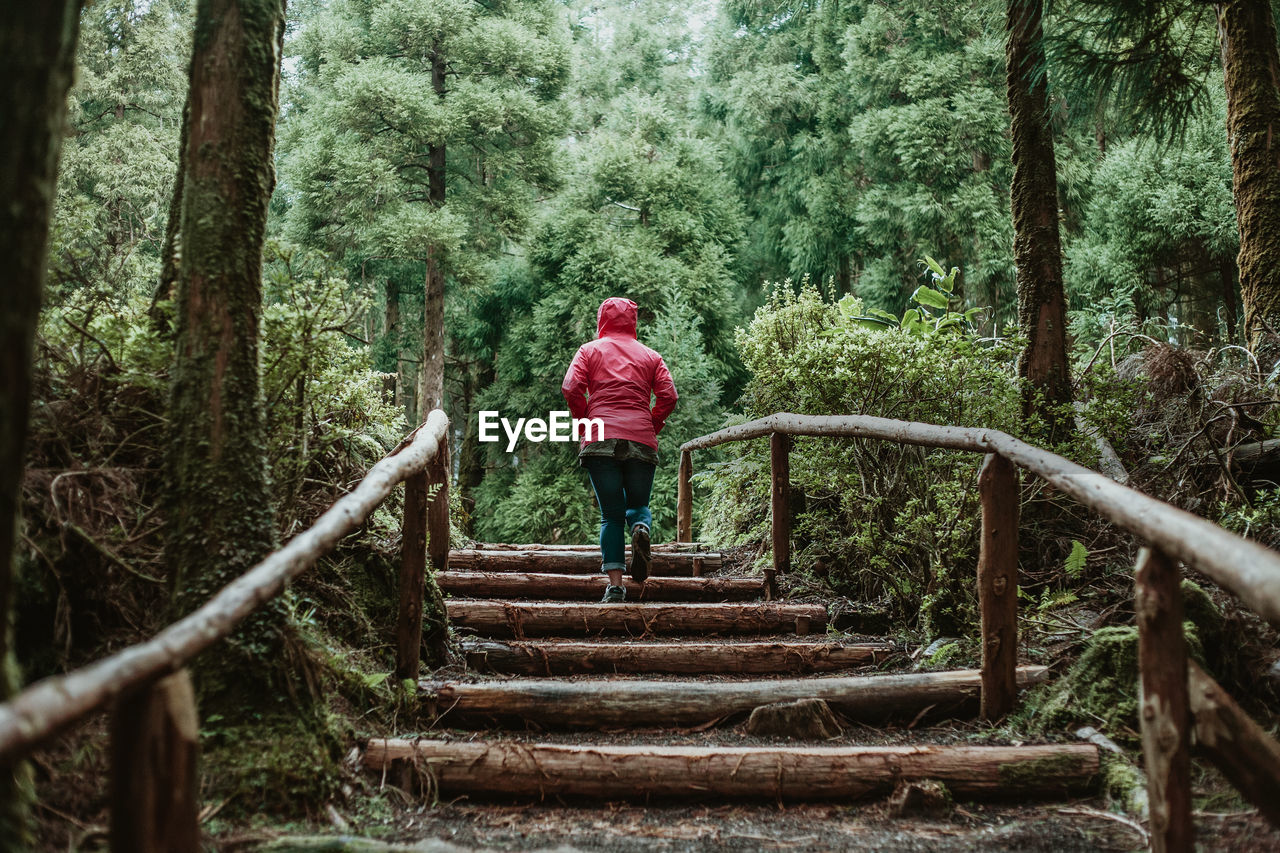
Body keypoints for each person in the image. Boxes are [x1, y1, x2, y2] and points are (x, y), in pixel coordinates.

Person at [562, 297, 678, 602]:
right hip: (640, 435)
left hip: (600, 436)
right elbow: (669, 396)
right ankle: (640, 527)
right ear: (633, 321)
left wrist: (584, 420)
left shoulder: (588, 351)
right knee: (638, 505)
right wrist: (652, 423)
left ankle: (615, 587)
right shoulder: (651, 356)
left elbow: (571, 387)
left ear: (602, 319)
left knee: (611, 515)